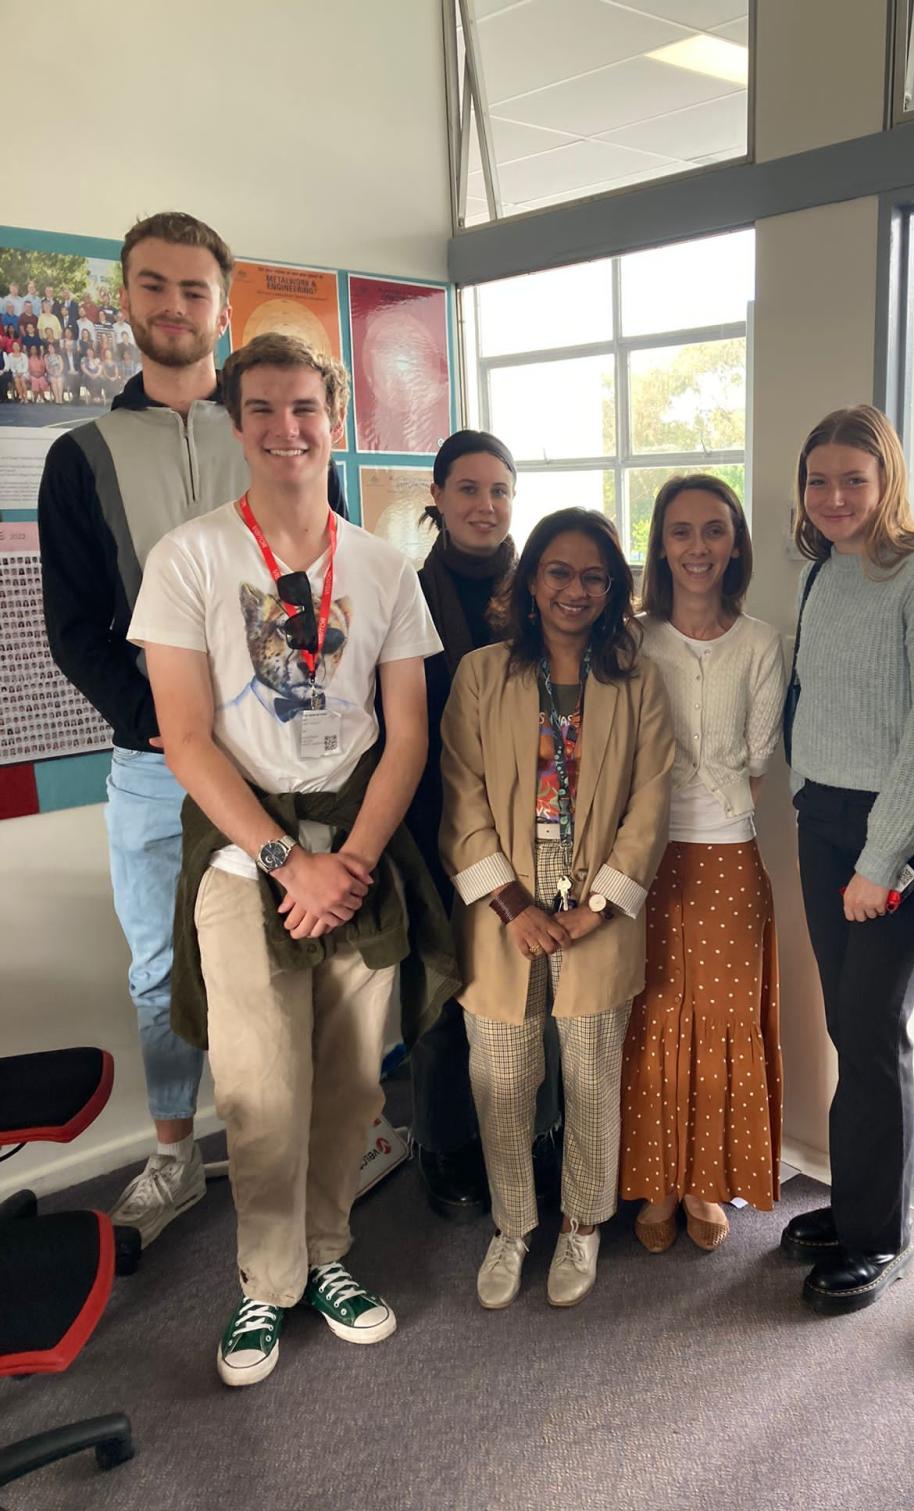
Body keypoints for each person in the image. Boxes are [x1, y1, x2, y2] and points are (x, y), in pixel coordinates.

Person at [128, 332, 454, 1386]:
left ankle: (327, 1256)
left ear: (335, 419)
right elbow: (186, 739)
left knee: (352, 1081)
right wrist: (286, 863)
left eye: (305, 407)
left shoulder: (385, 567)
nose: (286, 428)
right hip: (243, 854)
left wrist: (346, 863)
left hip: (357, 849)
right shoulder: (189, 558)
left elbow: (406, 735)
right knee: (261, 1085)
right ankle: (264, 1283)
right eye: (263, 409)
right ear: (237, 424)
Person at [39, 211, 348, 1250]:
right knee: (161, 970)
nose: (174, 306)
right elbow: (75, 630)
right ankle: (173, 1153)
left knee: (301, 949)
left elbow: (328, 583)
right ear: (125, 298)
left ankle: (321, 1147)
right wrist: (172, 732)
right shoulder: (81, 457)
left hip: (283, 757)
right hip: (152, 767)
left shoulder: (271, 429)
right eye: (154, 286)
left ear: (223, 307)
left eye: (194, 290)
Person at [440, 508, 674, 1309]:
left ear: (613, 590)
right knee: (502, 1077)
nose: (576, 590)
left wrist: (600, 906)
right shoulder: (481, 674)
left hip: (598, 909)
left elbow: (651, 802)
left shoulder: (637, 680)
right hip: (502, 909)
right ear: (532, 580)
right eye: (560, 572)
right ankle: (513, 1226)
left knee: (592, 1078)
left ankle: (581, 1224)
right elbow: (461, 794)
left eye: (594, 576)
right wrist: (513, 905)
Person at [781, 405, 914, 1314]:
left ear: (887, 481)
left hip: (893, 834)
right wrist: (804, 795)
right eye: (820, 480)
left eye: (855, 478)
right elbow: (814, 696)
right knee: (848, 1027)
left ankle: (882, 1238)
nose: (835, 496)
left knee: (874, 1027)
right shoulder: (821, 572)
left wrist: (883, 859)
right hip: (821, 819)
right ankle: (856, 1206)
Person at [620, 474, 786, 1253]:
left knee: (721, 1021)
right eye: (680, 531)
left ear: (735, 543)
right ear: (660, 545)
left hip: (726, 854)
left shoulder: (760, 643)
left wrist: (700, 798)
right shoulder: (632, 640)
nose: (697, 547)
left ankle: (704, 1182)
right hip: (640, 856)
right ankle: (654, 1179)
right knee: (649, 1014)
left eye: (714, 530)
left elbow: (757, 761)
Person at [404, 429, 564, 1221]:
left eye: (499, 490)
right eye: (467, 489)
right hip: (436, 818)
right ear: (436, 497)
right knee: (445, 988)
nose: (485, 505)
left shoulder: (544, 590)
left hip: (539, 824)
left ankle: (539, 1131)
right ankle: (442, 1139)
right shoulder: (405, 594)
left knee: (539, 987)